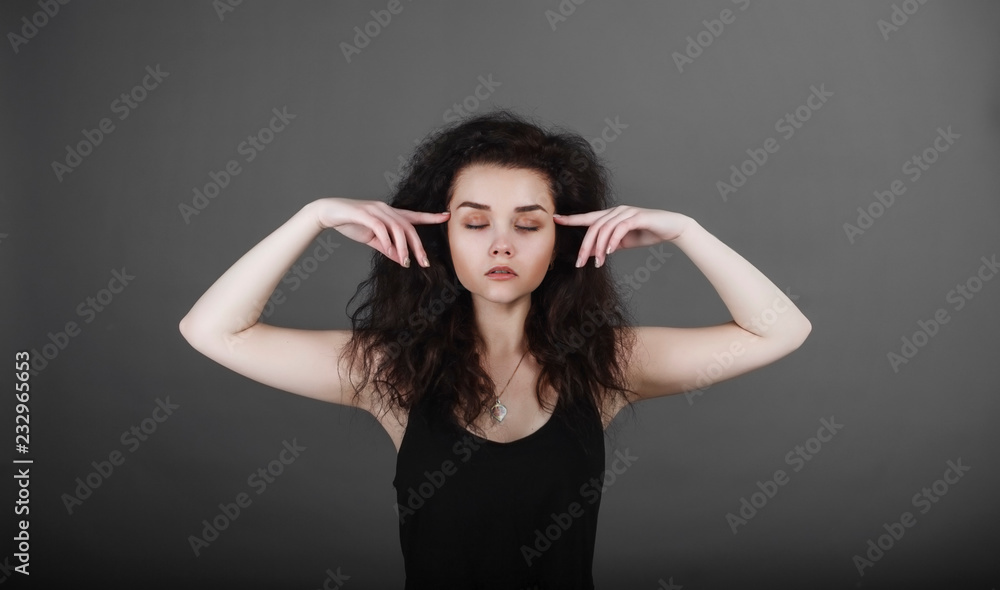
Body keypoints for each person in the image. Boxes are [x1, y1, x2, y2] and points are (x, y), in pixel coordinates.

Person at [178, 108, 812, 588]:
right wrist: (311, 217)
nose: (501, 244)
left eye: (529, 224)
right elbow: (212, 330)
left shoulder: (607, 364)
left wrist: (686, 231)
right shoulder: (391, 371)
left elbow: (781, 329)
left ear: (561, 242)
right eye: (476, 222)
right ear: (441, 235)